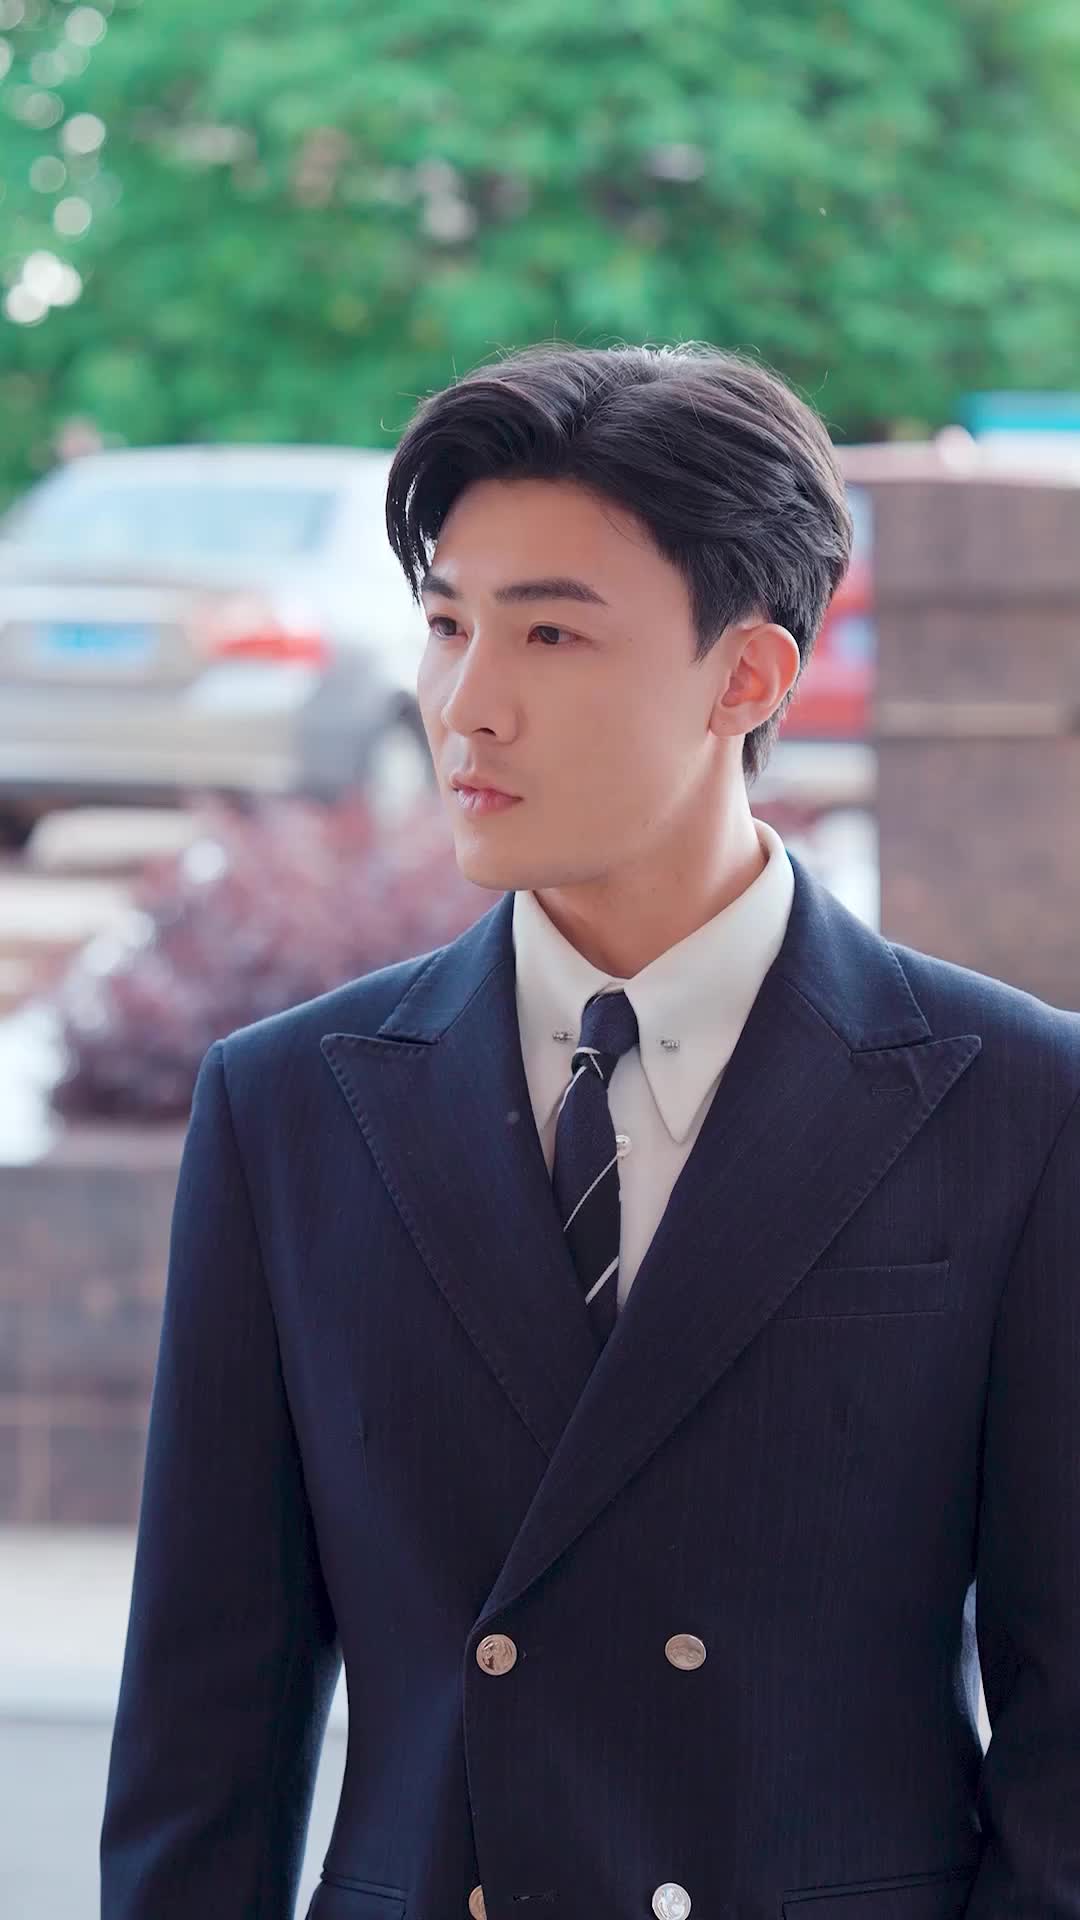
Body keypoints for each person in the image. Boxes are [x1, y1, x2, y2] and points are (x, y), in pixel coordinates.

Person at [99, 343, 1080, 1920]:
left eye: (549, 631)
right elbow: (201, 1733)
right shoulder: (290, 1108)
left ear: (747, 679)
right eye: (446, 625)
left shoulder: (1018, 1103)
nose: (466, 704)